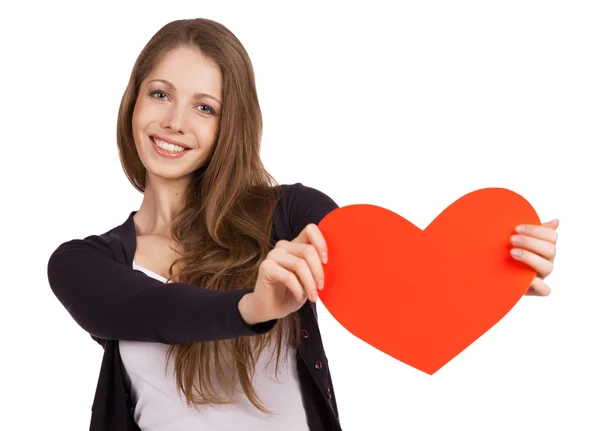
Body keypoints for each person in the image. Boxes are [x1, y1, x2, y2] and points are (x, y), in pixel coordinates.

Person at [46, 17, 559, 431]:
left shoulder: (288, 215)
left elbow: (389, 278)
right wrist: (254, 307)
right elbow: (155, 310)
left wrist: (489, 274)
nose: (175, 121)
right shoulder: (81, 263)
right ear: (133, 100)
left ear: (231, 125)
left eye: (204, 107)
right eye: (160, 94)